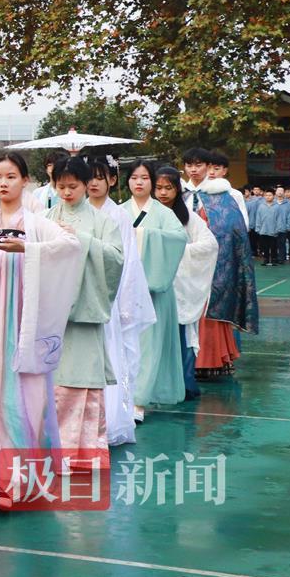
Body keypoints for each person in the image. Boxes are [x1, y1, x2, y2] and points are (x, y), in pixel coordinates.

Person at [0, 152, 82, 508]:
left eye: (11, 176)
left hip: (20, 323)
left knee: (18, 395)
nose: (3, 183)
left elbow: (70, 247)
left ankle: (15, 482)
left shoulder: (38, 222)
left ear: (25, 180)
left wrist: (28, 248)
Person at [43, 158, 123, 461]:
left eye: (72, 186)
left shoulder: (103, 222)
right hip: (54, 317)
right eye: (60, 186)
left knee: (84, 387)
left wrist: (82, 240)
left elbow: (116, 259)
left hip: (85, 317)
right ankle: (54, 451)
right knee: (54, 386)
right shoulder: (47, 217)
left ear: (86, 185)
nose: (66, 192)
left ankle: (84, 454)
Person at [86, 160, 154, 446]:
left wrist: (124, 304)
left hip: (109, 296)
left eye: (101, 178)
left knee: (113, 355)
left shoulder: (119, 216)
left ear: (112, 181)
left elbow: (128, 263)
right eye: (89, 178)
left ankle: (111, 420)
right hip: (81, 295)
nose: (95, 183)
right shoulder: (78, 211)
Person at [122, 161, 187, 421]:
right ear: (126, 181)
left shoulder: (163, 213)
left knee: (150, 345)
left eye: (144, 178)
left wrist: (143, 236)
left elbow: (178, 239)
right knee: (126, 345)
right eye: (134, 177)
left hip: (154, 291)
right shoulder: (118, 211)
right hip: (124, 290)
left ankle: (139, 400)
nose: (139, 183)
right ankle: (123, 399)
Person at [185, 148, 258, 378]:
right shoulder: (180, 193)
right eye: (189, 165)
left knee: (211, 309)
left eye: (199, 164)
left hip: (217, 262)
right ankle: (186, 360)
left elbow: (238, 228)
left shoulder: (225, 194)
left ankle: (211, 358)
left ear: (208, 166)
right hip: (185, 263)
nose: (194, 169)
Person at [155, 167, 219, 399]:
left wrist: (178, 252)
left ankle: (184, 383)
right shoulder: (146, 214)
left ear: (177, 190)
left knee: (182, 336)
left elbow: (209, 245)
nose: (163, 193)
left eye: (168, 188)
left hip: (180, 288)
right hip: (151, 287)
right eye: (159, 187)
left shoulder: (189, 218)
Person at [205, 151, 249, 225]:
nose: (211, 172)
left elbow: (243, 221)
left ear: (224, 171)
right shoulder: (197, 193)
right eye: (208, 168)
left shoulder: (235, 195)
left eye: (216, 169)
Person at [253, 189, 281, 266]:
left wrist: (278, 229)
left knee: (273, 246)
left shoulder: (277, 207)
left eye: (270, 195)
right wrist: (258, 228)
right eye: (266, 195)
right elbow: (258, 218)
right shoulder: (261, 206)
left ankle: (274, 259)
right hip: (263, 230)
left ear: (273, 196)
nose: (268, 197)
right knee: (265, 246)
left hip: (273, 230)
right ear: (264, 196)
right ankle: (266, 259)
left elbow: (279, 219)